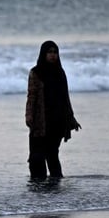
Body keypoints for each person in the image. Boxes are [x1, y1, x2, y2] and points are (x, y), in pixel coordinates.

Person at [25, 40, 81, 179]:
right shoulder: (36, 72)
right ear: (43, 54)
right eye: (49, 52)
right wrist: (29, 116)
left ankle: (55, 183)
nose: (52, 55)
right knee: (36, 156)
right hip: (40, 121)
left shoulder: (60, 72)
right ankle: (38, 183)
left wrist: (71, 117)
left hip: (57, 121)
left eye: (55, 52)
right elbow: (31, 96)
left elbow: (65, 97)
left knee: (52, 154)